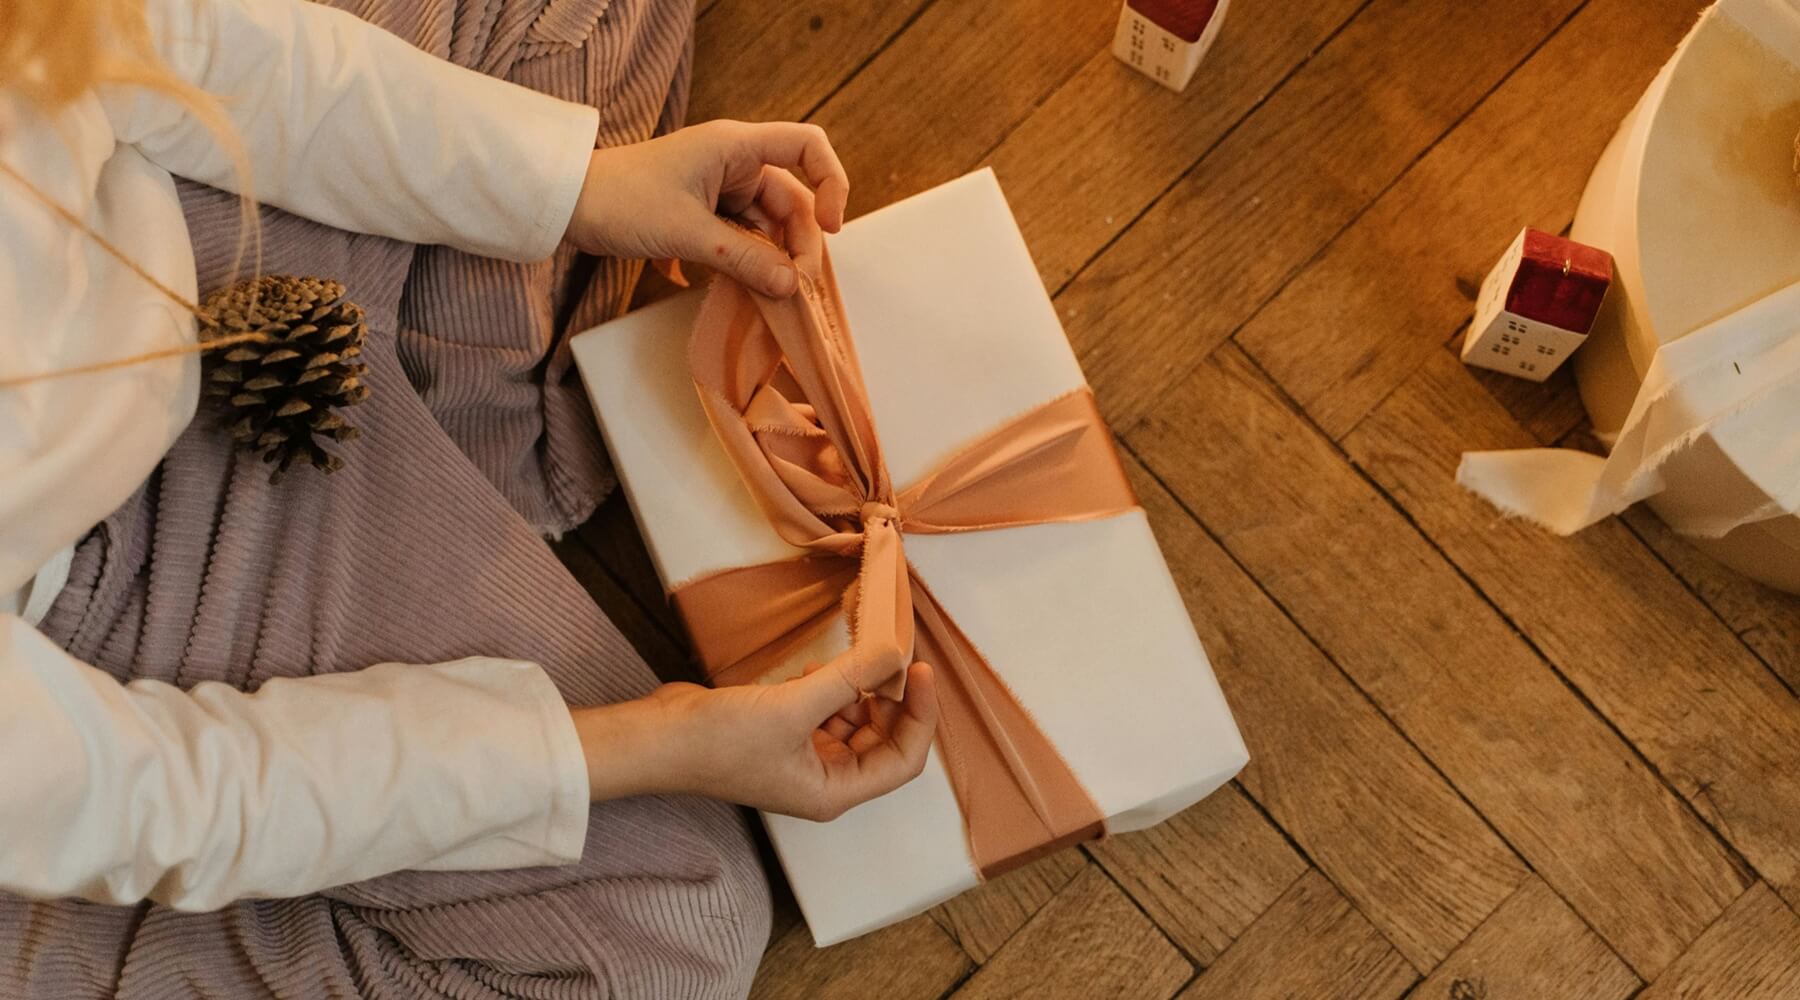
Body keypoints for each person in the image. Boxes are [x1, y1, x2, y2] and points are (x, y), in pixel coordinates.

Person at [0, 0, 939, 996]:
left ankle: (467, 457)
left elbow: (159, 44)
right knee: (676, 926)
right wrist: (651, 739)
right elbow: (190, 792)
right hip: (95, 630)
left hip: (172, 227)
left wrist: (580, 183)